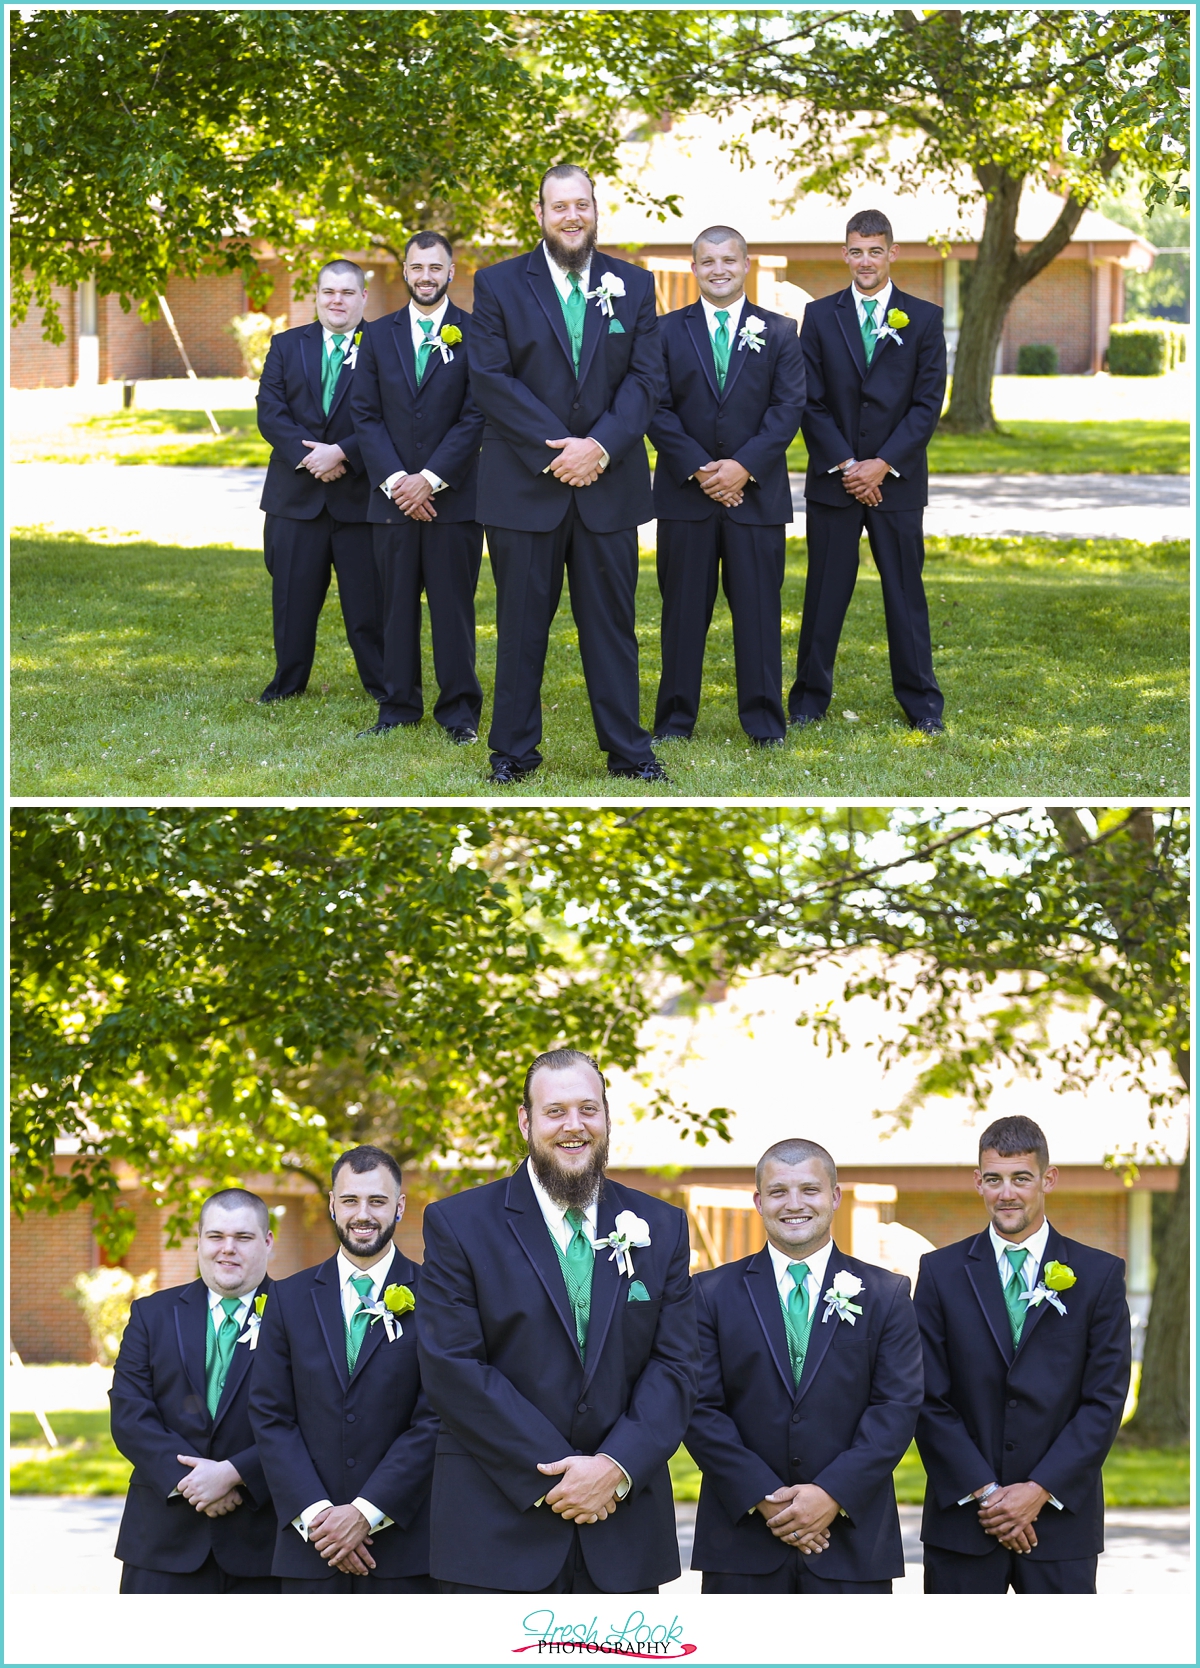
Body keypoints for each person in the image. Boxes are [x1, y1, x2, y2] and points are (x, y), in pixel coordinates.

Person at [417, 1048, 697, 1592]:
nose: (574, 1126)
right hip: (496, 1527)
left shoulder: (661, 1227)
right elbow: (454, 1368)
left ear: (607, 1118)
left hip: (624, 1529)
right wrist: (562, 1475)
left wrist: (614, 1467)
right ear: (526, 1121)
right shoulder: (458, 1224)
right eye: (555, 1111)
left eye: (589, 1110)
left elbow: (677, 1365)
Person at [469, 165, 666, 784]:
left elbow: (646, 379)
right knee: (521, 628)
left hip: (609, 486)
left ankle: (630, 754)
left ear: (595, 210)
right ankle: (513, 752)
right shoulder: (498, 284)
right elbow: (491, 380)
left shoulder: (633, 284)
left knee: (612, 627)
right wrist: (560, 449)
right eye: (560, 207)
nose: (572, 216)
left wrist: (600, 447)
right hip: (525, 485)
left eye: (582, 205)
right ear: (540, 214)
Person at [685, 1138, 923, 1593]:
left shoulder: (886, 1294)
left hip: (852, 1543)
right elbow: (699, 1407)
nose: (794, 1205)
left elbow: (896, 1406)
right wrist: (764, 1497)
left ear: (834, 1196)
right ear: (759, 1201)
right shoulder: (710, 1294)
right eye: (778, 1192)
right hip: (742, 1542)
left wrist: (832, 1494)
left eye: (810, 1190)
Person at [915, 1114, 1131, 1593]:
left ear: (1047, 1180)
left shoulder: (1098, 1276)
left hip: (1059, 1522)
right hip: (964, 1521)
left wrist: (1038, 1490)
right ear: (978, 1182)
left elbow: (1104, 1400)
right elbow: (928, 1397)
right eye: (993, 1179)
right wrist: (989, 1496)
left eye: (1021, 1178)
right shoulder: (939, 1273)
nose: (1006, 1193)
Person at [248, 1145, 438, 1592]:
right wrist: (320, 1518)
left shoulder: (437, 1297)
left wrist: (366, 1513)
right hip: (309, 1549)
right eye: (350, 1201)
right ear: (332, 1204)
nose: (363, 1214)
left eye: (377, 1201)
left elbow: (436, 1417)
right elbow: (271, 1416)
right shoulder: (287, 1299)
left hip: (403, 1551)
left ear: (400, 1206)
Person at [648, 226, 806, 747]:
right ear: (694, 268)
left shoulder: (780, 332)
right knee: (682, 615)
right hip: (684, 497)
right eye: (708, 261)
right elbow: (656, 407)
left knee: (759, 614)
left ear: (745, 265)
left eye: (729, 260)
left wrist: (742, 467)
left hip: (756, 497)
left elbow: (787, 409)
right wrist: (700, 468)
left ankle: (763, 723)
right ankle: (673, 722)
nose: (719, 269)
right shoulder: (665, 331)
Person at [789, 210, 946, 734]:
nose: (865, 261)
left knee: (905, 593)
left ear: (892, 254)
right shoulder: (818, 315)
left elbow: (926, 405)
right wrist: (849, 465)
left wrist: (881, 465)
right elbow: (809, 400)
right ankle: (809, 700)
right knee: (824, 592)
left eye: (874, 251)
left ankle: (921, 703)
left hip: (896, 482)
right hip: (835, 480)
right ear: (845, 254)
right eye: (856, 251)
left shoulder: (923, 319)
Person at [351, 232, 485, 745]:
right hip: (390, 502)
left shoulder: (475, 335)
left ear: (452, 272)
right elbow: (364, 413)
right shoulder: (377, 336)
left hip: (454, 499)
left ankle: (459, 712)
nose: (425, 276)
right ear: (404, 272)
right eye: (416, 267)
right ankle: (398, 707)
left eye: (436, 267)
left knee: (454, 607)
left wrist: (428, 481)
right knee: (395, 606)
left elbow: (476, 416)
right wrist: (395, 483)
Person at [109, 1188, 278, 1592]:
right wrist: (193, 1483)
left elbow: (312, 1417)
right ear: (199, 1239)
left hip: (264, 1544)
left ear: (268, 1242)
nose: (228, 1249)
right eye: (216, 1236)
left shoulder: (300, 1314)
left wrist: (234, 1475)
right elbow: (130, 1414)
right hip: (161, 1543)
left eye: (244, 1238)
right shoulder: (152, 1314)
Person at [255, 259, 385, 706]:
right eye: (329, 291)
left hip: (359, 499)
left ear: (363, 297)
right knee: (292, 599)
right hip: (296, 497)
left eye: (348, 293)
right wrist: (311, 458)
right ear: (316, 295)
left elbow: (391, 418)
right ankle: (287, 684)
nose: (337, 300)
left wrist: (343, 452)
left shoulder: (383, 347)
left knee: (368, 604)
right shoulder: (286, 346)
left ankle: (384, 685)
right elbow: (270, 412)